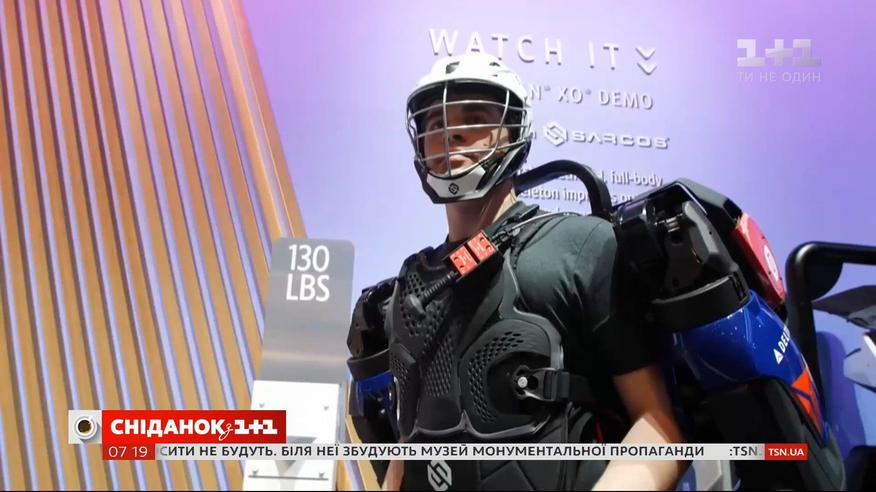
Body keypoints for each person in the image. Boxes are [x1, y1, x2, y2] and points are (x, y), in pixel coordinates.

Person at [351, 52, 689, 491]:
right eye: (435, 124)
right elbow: (410, 442)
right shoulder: (413, 285)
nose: (452, 134)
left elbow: (658, 427)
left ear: (515, 133)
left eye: (475, 118)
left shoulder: (580, 247)